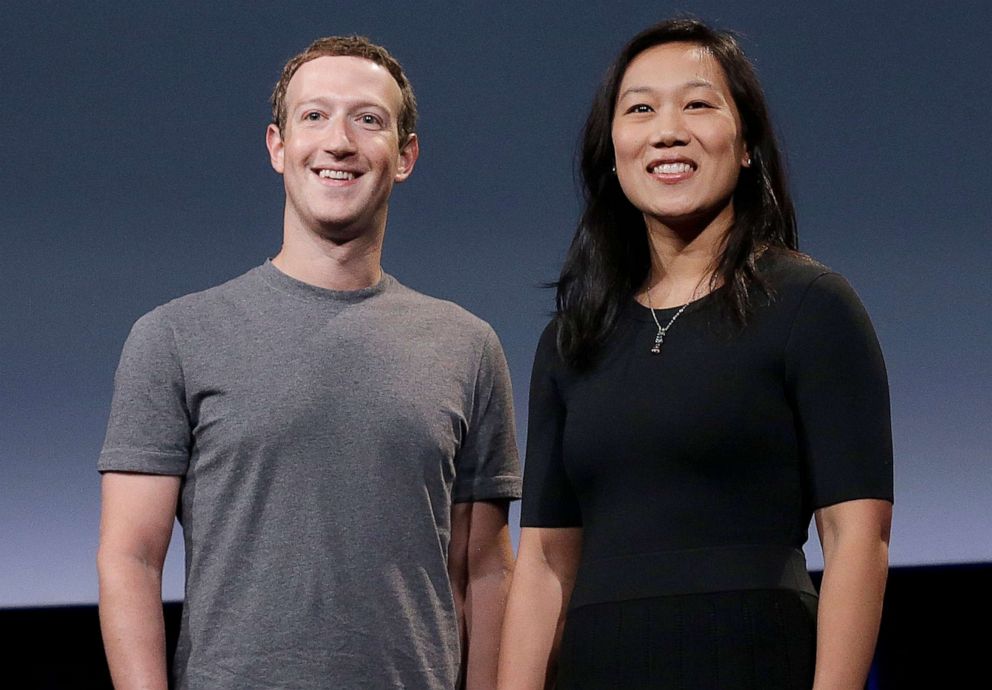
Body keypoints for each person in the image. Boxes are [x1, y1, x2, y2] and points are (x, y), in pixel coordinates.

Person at [97, 36, 521, 690]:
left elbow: (486, 570)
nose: (339, 141)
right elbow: (131, 557)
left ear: (405, 156)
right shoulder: (174, 337)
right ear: (277, 146)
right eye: (314, 116)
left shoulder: (466, 345)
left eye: (368, 119)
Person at [499, 18, 892, 690]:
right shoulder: (571, 339)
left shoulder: (812, 305)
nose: (667, 130)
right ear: (613, 148)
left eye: (699, 104)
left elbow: (857, 539)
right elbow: (542, 562)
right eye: (641, 108)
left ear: (746, 146)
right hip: (601, 664)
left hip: (755, 657)